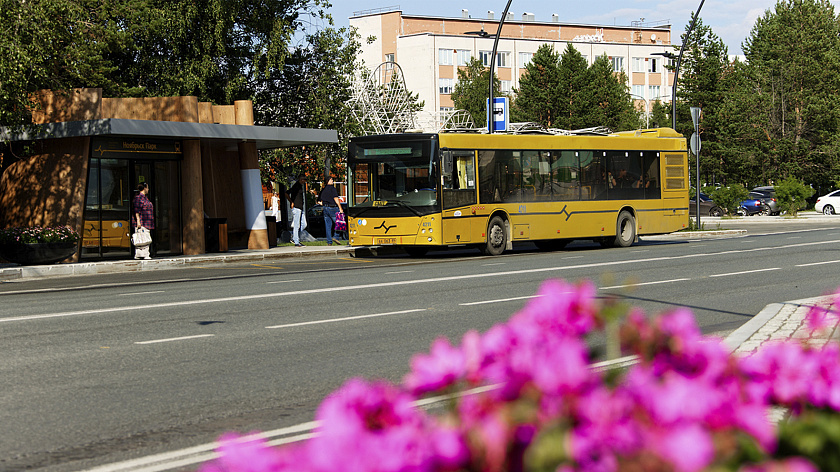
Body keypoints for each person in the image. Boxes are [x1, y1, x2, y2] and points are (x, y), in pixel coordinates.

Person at [319, 175, 344, 245]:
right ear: (328, 181)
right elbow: (336, 199)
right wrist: (340, 208)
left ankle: (329, 242)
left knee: (328, 226)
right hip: (333, 208)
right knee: (340, 223)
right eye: (331, 179)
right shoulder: (332, 188)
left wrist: (324, 204)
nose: (332, 181)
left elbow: (318, 201)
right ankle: (336, 236)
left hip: (325, 208)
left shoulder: (323, 190)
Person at [132, 182, 154, 259]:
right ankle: (144, 254)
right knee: (143, 237)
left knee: (144, 236)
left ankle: (140, 254)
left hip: (147, 221)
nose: (148, 189)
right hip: (142, 221)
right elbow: (136, 210)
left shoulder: (145, 198)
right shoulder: (139, 198)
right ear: (144, 188)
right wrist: (138, 221)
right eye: (147, 188)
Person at [285, 174, 308, 247]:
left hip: (300, 208)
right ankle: (296, 241)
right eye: (304, 180)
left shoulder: (300, 186)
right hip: (296, 207)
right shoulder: (296, 186)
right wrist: (291, 202)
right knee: (296, 225)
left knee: (304, 224)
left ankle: (294, 236)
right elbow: (286, 193)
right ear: (301, 179)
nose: (304, 182)